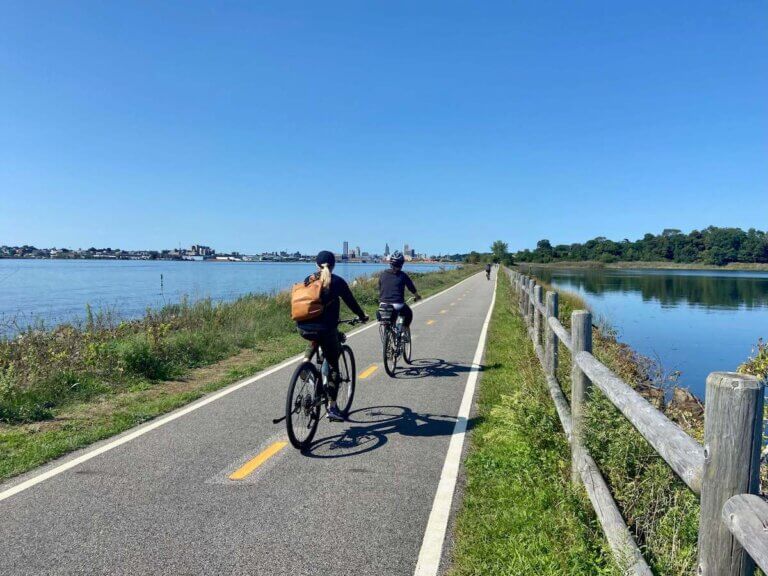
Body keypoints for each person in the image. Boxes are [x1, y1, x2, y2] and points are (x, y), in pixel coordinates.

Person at [296, 250, 368, 422]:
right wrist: (362, 316)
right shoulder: (337, 282)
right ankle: (332, 407)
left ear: (316, 265)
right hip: (326, 329)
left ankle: (305, 364)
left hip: (303, 327)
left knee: (315, 337)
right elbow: (351, 302)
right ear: (334, 265)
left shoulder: (308, 280)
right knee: (334, 366)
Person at [378, 251, 421, 327]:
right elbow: (411, 288)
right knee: (408, 313)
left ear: (390, 263)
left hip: (383, 304)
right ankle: (404, 329)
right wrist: (417, 296)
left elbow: (380, 288)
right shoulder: (403, 275)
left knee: (387, 319)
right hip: (397, 304)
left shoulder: (383, 274)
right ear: (401, 264)